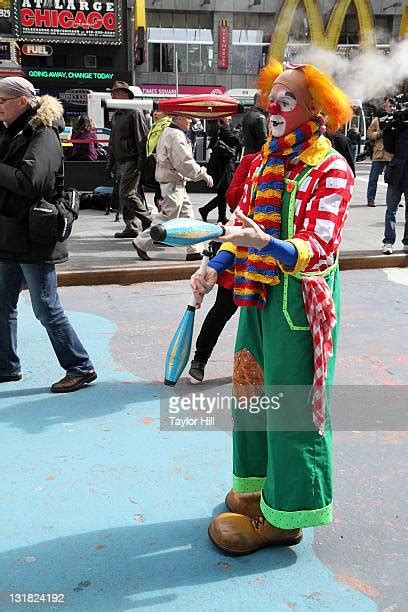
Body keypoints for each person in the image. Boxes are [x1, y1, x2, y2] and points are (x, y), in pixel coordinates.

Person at [191, 60, 354, 555]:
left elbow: (317, 246)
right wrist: (216, 266)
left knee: (291, 412)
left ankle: (286, 518)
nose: (274, 106)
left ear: (314, 109)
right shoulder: (265, 158)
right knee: (250, 395)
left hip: (300, 308)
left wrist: (266, 242)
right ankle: (256, 490)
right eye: (272, 97)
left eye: (286, 99)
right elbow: (242, 229)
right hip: (257, 299)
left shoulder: (330, 168)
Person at [0, 77, 96, 392]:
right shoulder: (11, 132)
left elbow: (32, 184)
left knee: (45, 306)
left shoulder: (42, 135)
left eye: (2, 100)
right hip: (9, 234)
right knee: (2, 303)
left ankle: (80, 367)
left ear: (22, 101)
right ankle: (7, 366)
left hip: (34, 236)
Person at [132, 113, 213, 261]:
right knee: (168, 217)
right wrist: (203, 174)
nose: (190, 121)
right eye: (188, 118)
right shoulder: (176, 135)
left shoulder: (170, 132)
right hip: (173, 182)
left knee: (188, 217)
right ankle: (141, 241)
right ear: (179, 118)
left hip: (174, 181)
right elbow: (184, 162)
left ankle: (194, 250)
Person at [107, 81, 151, 238]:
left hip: (131, 160)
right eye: (112, 93)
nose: (112, 95)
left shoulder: (134, 112)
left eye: (116, 93)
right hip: (121, 161)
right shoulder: (117, 115)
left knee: (126, 194)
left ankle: (149, 220)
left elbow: (142, 139)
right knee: (124, 194)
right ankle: (131, 226)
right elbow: (113, 141)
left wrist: (141, 162)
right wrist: (110, 163)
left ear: (126, 95)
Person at [199, 116, 240, 224]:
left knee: (223, 192)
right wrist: (237, 133)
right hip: (225, 165)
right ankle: (210, 211)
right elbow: (235, 140)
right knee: (225, 191)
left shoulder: (215, 128)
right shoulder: (224, 128)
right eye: (227, 116)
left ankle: (217, 214)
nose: (230, 118)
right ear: (222, 117)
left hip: (219, 164)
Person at [381, 110, 408, 255]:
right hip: (396, 174)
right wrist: (388, 130)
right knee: (391, 210)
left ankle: (407, 242)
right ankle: (388, 242)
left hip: (402, 173)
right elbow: (389, 148)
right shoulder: (397, 128)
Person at [366, 97, 396, 207]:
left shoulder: (397, 119)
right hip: (379, 153)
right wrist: (380, 134)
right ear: (385, 106)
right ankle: (370, 199)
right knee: (373, 178)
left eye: (393, 106)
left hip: (391, 154)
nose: (392, 108)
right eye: (390, 106)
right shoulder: (377, 120)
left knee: (393, 179)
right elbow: (369, 134)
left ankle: (393, 200)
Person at [144, 109, 171, 211]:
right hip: (155, 161)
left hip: (162, 163)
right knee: (159, 192)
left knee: (162, 193)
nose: (155, 113)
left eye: (159, 111)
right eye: (154, 111)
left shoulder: (167, 126)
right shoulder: (156, 125)